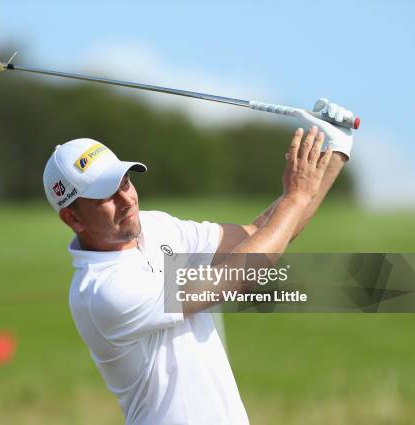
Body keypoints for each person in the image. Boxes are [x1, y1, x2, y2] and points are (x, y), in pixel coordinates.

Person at [42, 99, 355, 425]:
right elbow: (240, 275)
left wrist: (334, 153)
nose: (127, 200)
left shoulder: (156, 226)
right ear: (72, 218)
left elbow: (262, 234)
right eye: (107, 196)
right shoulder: (103, 292)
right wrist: (296, 196)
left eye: (125, 183)